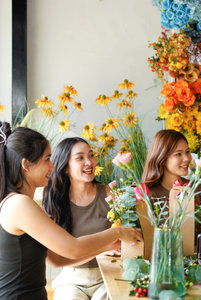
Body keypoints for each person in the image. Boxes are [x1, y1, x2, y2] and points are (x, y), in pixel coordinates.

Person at [0, 122, 141, 299]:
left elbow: (56, 260)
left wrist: (104, 248)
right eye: (47, 159)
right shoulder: (19, 204)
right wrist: (118, 232)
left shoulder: (21, 203)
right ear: (26, 165)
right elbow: (73, 248)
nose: (52, 166)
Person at [41, 137, 111, 300]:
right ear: (65, 167)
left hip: (106, 276)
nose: (89, 162)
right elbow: (53, 257)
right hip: (71, 279)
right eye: (80, 158)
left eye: (91, 155)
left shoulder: (108, 194)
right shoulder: (54, 201)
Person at [141, 129, 201, 234]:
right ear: (162, 159)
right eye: (178, 154)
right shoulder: (148, 195)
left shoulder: (198, 189)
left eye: (187, 152)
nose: (187, 158)